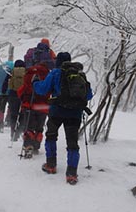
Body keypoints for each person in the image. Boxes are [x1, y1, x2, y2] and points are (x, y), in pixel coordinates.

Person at [32, 51, 93, 185]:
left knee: (51, 136)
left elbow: (42, 89)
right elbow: (88, 95)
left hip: (56, 112)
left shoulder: (55, 73)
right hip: (75, 114)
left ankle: (51, 164)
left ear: (57, 62)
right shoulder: (80, 74)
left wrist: (35, 82)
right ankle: (71, 173)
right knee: (72, 142)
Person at [16, 61, 51, 158]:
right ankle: (36, 146)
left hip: (29, 105)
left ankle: (28, 147)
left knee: (29, 127)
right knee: (39, 128)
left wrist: (22, 97)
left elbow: (21, 91)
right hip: (43, 107)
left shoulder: (30, 73)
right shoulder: (48, 75)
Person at [4, 59, 26, 141]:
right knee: (23, 115)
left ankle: (13, 133)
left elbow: (6, 83)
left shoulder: (12, 72)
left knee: (13, 115)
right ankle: (20, 130)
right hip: (23, 96)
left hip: (13, 95)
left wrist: (4, 91)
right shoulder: (26, 72)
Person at [0, 60, 14, 132]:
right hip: (10, 91)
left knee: (0, 109)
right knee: (11, 107)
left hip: (0, 92)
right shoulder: (12, 70)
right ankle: (8, 121)